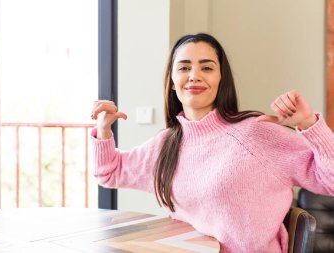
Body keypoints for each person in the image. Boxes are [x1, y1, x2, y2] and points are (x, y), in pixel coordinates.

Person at [90, 33, 334, 253]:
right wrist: (103, 129)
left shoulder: (255, 132)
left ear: (221, 78)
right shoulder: (165, 145)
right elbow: (109, 172)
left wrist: (310, 124)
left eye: (206, 68)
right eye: (184, 68)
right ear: (173, 81)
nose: (194, 76)